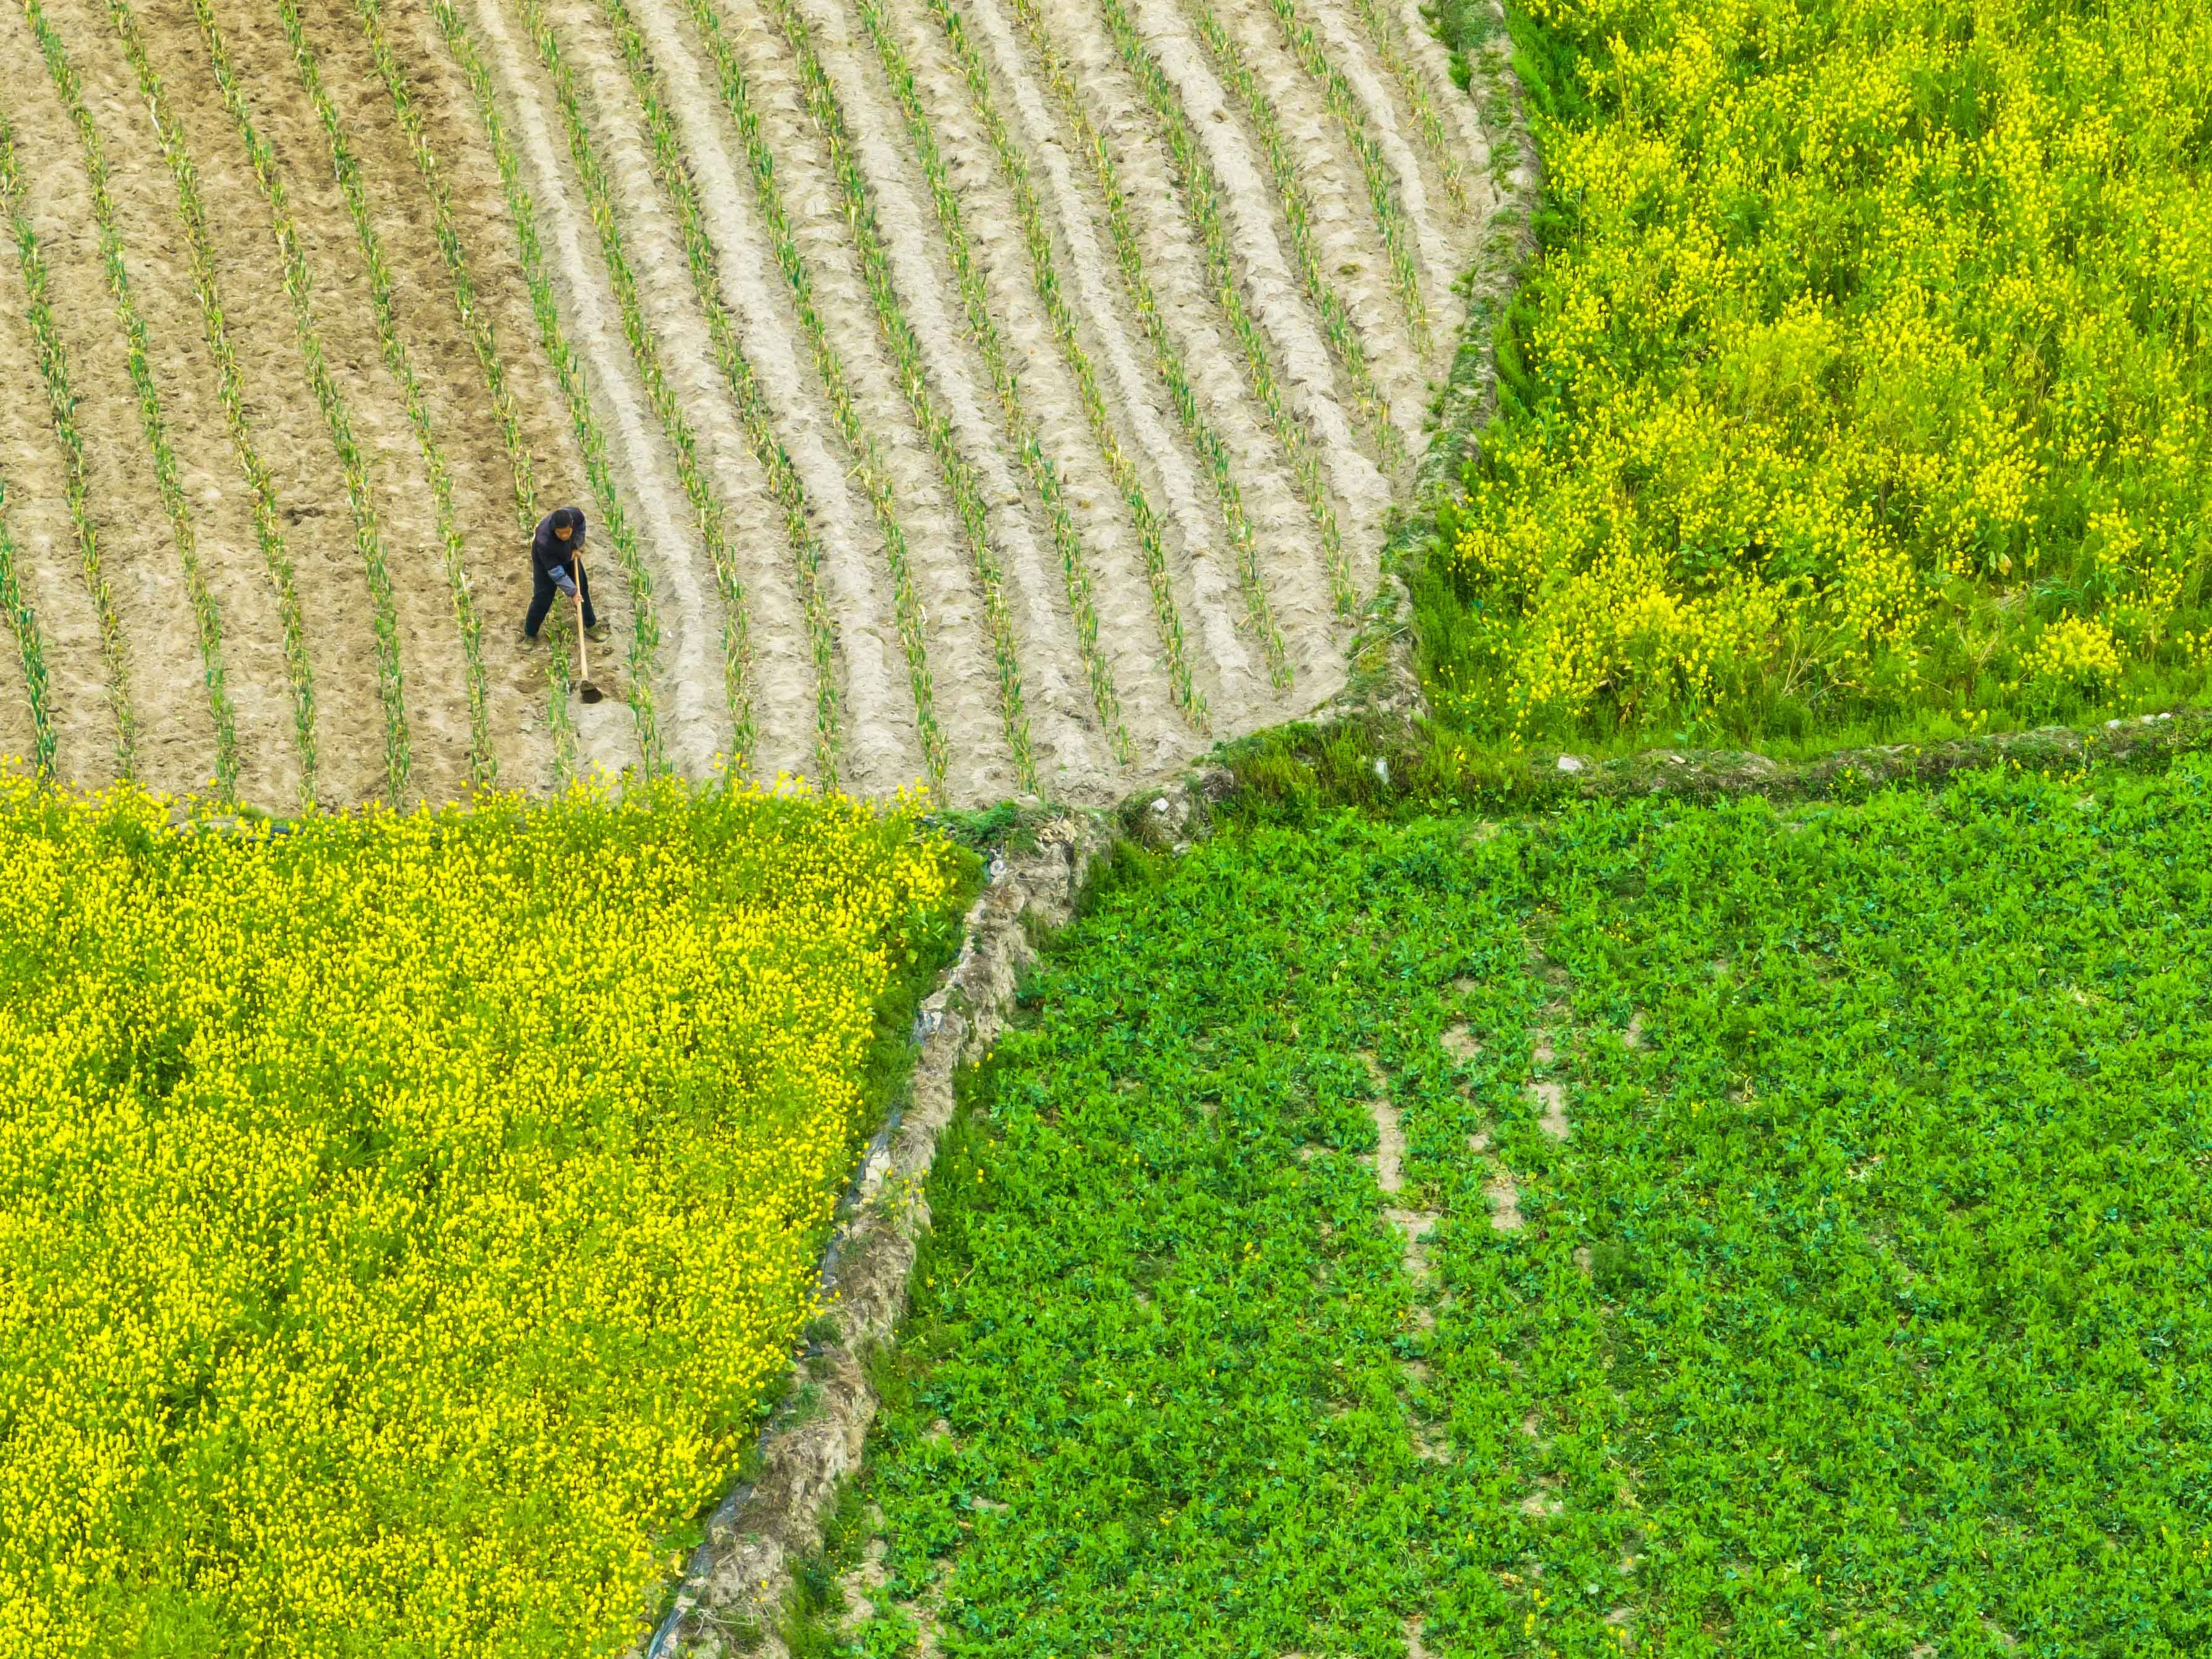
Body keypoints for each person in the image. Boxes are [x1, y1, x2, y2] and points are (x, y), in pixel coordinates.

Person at [523, 506, 609, 644]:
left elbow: (581, 528)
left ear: (571, 525)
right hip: (547, 562)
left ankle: (590, 625)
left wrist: (577, 545)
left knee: (582, 587)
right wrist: (573, 592)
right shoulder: (544, 540)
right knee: (543, 596)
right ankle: (530, 634)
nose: (564, 536)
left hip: (568, 552)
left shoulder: (576, 515)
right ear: (554, 530)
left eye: (567, 532)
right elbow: (556, 572)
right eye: (560, 533)